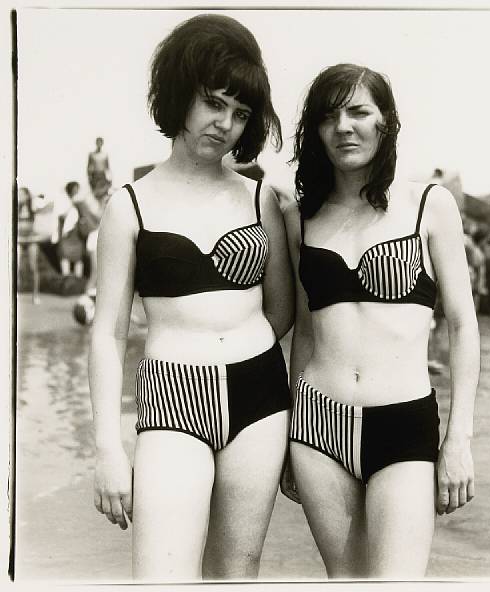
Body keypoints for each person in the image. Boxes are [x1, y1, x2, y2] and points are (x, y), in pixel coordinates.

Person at [89, 14, 293, 581]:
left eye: (241, 113)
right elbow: (108, 333)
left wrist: (238, 349)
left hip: (258, 393)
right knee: (161, 574)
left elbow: (281, 310)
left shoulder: (260, 201)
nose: (225, 124)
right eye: (214, 103)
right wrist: (107, 446)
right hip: (172, 395)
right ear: (180, 95)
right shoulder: (129, 205)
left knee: (237, 570)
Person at [281, 64, 479, 579]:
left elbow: (463, 325)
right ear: (316, 132)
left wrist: (458, 440)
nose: (344, 126)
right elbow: (306, 328)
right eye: (329, 117)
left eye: (358, 111)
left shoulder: (429, 205)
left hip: (403, 421)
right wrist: (284, 437)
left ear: (385, 122)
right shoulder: (303, 218)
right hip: (316, 423)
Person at [57, 181, 85, 278]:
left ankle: (78, 282)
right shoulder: (64, 202)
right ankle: (67, 281)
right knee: (65, 257)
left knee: (78, 258)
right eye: (75, 189)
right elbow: (60, 216)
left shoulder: (80, 203)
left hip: (77, 235)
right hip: (67, 235)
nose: (77, 192)